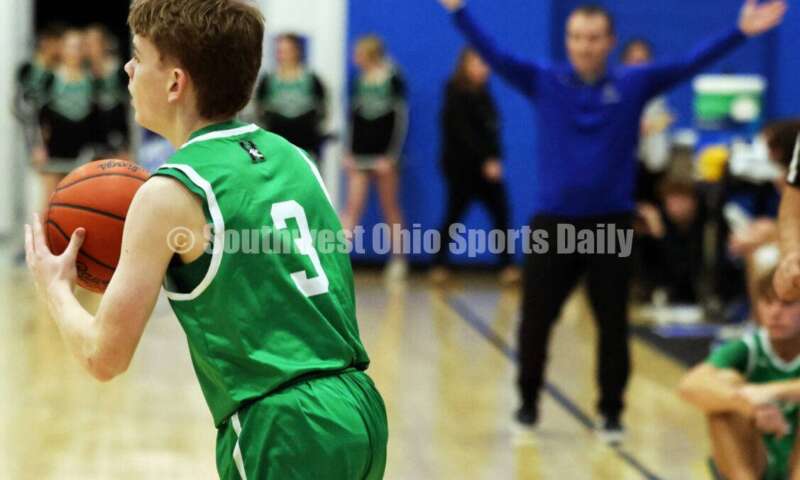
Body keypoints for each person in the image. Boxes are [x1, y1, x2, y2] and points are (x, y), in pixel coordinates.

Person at [24, 1, 387, 479]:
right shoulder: (296, 158)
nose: (128, 68)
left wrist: (54, 288)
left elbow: (103, 355)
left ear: (175, 83)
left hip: (282, 426)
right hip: (358, 408)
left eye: (138, 56)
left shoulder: (170, 192)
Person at [438, 0, 787, 440]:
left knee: (612, 324)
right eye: (577, 38)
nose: (584, 46)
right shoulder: (545, 80)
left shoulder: (633, 82)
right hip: (555, 224)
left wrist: (741, 31)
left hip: (610, 224)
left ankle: (611, 413)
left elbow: (689, 62)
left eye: (593, 38)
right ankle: (527, 405)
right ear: (568, 41)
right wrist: (459, 12)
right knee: (536, 320)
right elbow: (494, 53)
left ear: (609, 42)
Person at [679, 269, 800, 480]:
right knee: (724, 384)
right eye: (768, 302)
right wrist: (749, 405)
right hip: (756, 461)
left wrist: (772, 392)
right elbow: (689, 385)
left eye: (787, 304)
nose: (775, 312)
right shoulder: (751, 346)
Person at [430, 47, 519, 285]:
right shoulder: (455, 93)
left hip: (488, 168)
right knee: (454, 215)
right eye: (477, 63)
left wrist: (496, 157)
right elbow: (462, 133)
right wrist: (484, 160)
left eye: (485, 64)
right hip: (462, 168)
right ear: (465, 65)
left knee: (501, 213)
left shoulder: (485, 94)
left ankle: (508, 266)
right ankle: (439, 264)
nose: (483, 69)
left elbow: (493, 130)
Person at [342, 35, 409, 280]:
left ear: (371, 55)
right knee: (352, 206)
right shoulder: (359, 80)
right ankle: (338, 257)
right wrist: (348, 151)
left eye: (358, 54)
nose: (355, 59)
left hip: (384, 156)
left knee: (390, 207)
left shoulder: (393, 79)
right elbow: (353, 119)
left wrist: (391, 156)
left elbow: (401, 120)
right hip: (360, 154)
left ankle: (398, 260)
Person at [38, 29, 99, 208]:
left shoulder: (92, 80)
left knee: (78, 204)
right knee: (49, 203)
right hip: (54, 149)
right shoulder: (50, 77)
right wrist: (37, 146)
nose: (75, 51)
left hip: (82, 150)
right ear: (62, 49)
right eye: (71, 46)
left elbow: (97, 118)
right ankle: (42, 236)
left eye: (79, 46)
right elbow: (37, 115)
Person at [254, 33, 327, 161]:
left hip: (306, 146)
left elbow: (323, 110)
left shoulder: (311, 80)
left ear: (297, 51)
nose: (282, 55)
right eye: (279, 51)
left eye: (286, 51)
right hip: (275, 147)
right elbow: (259, 111)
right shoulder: (268, 80)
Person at [85, 24, 131, 159]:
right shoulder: (83, 71)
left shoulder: (119, 69)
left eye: (95, 42)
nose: (91, 47)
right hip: (92, 136)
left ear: (105, 43)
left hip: (118, 132)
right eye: (87, 43)